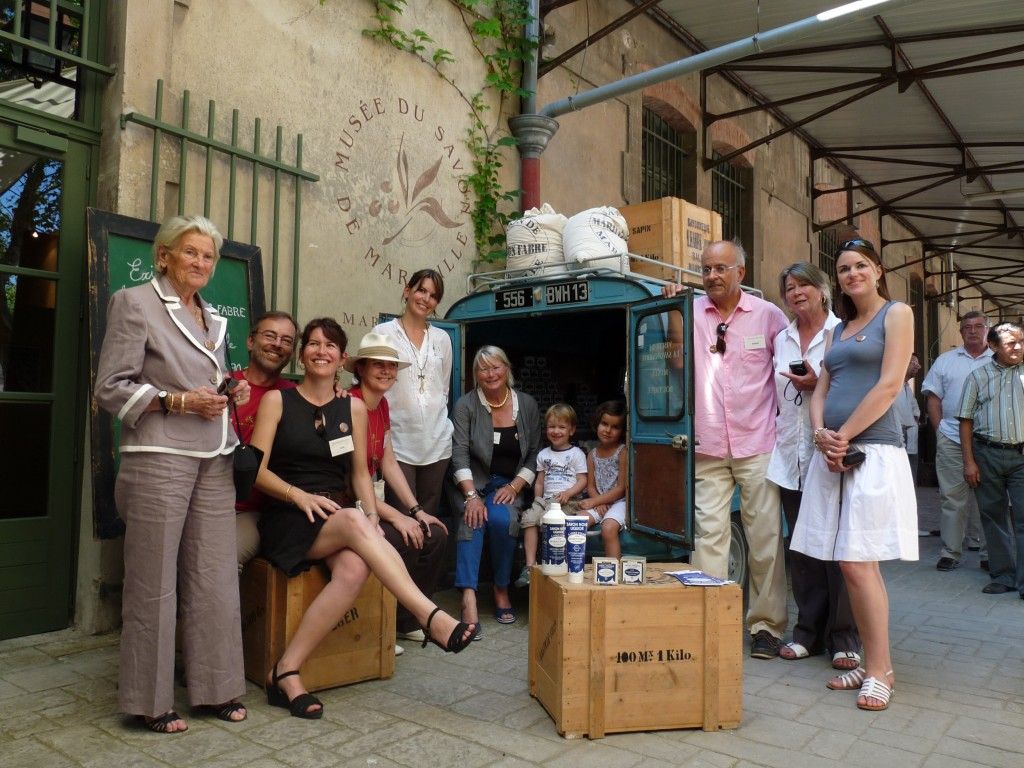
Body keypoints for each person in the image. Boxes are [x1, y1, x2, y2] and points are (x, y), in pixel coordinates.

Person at [250, 318, 477, 719]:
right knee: (356, 524)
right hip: (288, 514)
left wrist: (372, 513)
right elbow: (257, 469)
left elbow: (359, 474)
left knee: (354, 568)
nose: (321, 351)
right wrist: (298, 495)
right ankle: (430, 617)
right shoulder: (278, 401)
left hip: (335, 513)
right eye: (314, 344)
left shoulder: (352, 407)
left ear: (340, 358)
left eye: (330, 346)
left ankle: (285, 671)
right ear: (302, 353)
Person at [94, 214, 251, 732]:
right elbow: (110, 388)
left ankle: (216, 689)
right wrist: (177, 400)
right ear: (164, 255)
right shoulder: (134, 303)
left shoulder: (211, 316)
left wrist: (231, 389)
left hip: (215, 456)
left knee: (214, 578)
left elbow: (208, 376)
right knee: (153, 581)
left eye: (208, 256)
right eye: (191, 253)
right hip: (158, 458)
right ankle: (148, 703)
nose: (202, 263)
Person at [793, 237, 917, 712]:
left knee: (859, 563)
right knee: (848, 561)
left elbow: (889, 386)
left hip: (874, 450)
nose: (852, 274)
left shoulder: (898, 314)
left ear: (878, 270)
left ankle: (881, 669)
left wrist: (841, 435)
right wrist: (823, 432)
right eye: (844, 268)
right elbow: (821, 386)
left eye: (861, 265)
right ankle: (873, 663)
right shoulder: (838, 329)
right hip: (835, 453)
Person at [663, 240, 789, 659]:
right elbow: (678, 364)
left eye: (721, 268)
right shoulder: (690, 312)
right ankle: (709, 620)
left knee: (765, 536)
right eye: (706, 269)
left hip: (758, 443)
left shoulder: (768, 316)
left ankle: (766, 626)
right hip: (709, 444)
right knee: (708, 538)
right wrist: (671, 314)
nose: (712, 275)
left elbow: (788, 374)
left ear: (741, 273)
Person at [766, 263, 860, 670]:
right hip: (791, 455)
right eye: (789, 287)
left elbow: (858, 388)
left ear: (823, 291)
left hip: (833, 451)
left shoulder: (843, 333)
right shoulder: (780, 337)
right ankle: (808, 632)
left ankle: (845, 638)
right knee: (802, 548)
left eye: (804, 284)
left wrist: (817, 383)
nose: (797, 292)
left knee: (839, 548)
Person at [345, 331, 450, 645]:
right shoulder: (349, 405)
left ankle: (406, 619)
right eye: (377, 364)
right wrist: (398, 517)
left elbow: (388, 462)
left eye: (391, 366)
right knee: (401, 538)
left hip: (369, 502)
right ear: (360, 368)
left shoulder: (381, 406)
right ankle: (381, 623)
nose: (386, 371)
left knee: (435, 534)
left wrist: (417, 511)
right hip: (348, 503)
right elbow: (355, 478)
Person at [451, 345, 541, 630]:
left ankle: (501, 588)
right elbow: (459, 454)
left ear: (507, 368)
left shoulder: (525, 404)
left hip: (508, 484)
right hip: (471, 483)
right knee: (472, 520)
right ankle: (468, 596)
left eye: (495, 367)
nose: (490, 374)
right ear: (475, 375)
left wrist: (516, 486)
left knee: (503, 522)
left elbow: (534, 454)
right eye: (483, 369)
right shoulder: (466, 405)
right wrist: (471, 496)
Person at [372, 269, 453, 536]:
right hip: (397, 444)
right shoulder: (383, 332)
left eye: (433, 295)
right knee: (403, 522)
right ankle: (399, 578)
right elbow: (369, 383)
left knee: (429, 524)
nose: (426, 299)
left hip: (437, 445)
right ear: (407, 291)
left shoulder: (442, 339)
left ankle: (422, 579)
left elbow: (443, 388)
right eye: (421, 290)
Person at [921, 311, 992, 571]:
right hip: (951, 436)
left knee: (989, 497)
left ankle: (988, 553)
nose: (973, 331)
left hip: (988, 440)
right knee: (952, 497)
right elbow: (933, 398)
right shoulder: (945, 360)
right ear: (960, 332)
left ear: (988, 330)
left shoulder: (999, 360)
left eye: (979, 326)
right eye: (967, 327)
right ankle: (951, 551)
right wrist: (940, 430)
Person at [957, 322, 1024, 597]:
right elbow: (965, 421)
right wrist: (969, 462)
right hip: (987, 454)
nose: (1018, 347)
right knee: (993, 516)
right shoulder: (977, 376)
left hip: (1022, 456)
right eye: (1010, 343)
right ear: (994, 346)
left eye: (1021, 341)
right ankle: (1004, 575)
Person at [231, 311, 299, 570]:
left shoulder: (295, 397)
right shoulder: (223, 384)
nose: (277, 344)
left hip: (256, 511)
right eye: (270, 335)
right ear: (250, 341)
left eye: (286, 340)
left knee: (223, 560)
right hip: (209, 502)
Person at [514, 403, 588, 588]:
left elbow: (582, 480)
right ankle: (530, 566)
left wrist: (568, 493)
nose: (556, 431)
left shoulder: (576, 454)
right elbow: (539, 481)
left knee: (556, 524)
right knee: (530, 518)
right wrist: (537, 500)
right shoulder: (543, 455)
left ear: (571, 430)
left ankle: (557, 564)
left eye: (562, 427)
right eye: (552, 427)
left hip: (568, 501)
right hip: (545, 500)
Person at [579, 400, 629, 559]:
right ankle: (574, 570)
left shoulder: (623, 452)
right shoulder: (592, 454)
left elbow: (621, 488)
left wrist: (595, 502)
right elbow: (591, 486)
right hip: (600, 503)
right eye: (604, 424)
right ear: (597, 424)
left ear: (622, 430)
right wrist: (598, 502)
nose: (608, 430)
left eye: (615, 427)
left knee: (608, 528)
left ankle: (612, 573)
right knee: (576, 523)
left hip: (620, 503)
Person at [895, 353, 922, 481]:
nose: (918, 366)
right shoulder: (893, 385)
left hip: (910, 440)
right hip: (896, 440)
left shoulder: (907, 387)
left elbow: (916, 412)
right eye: (914, 363)